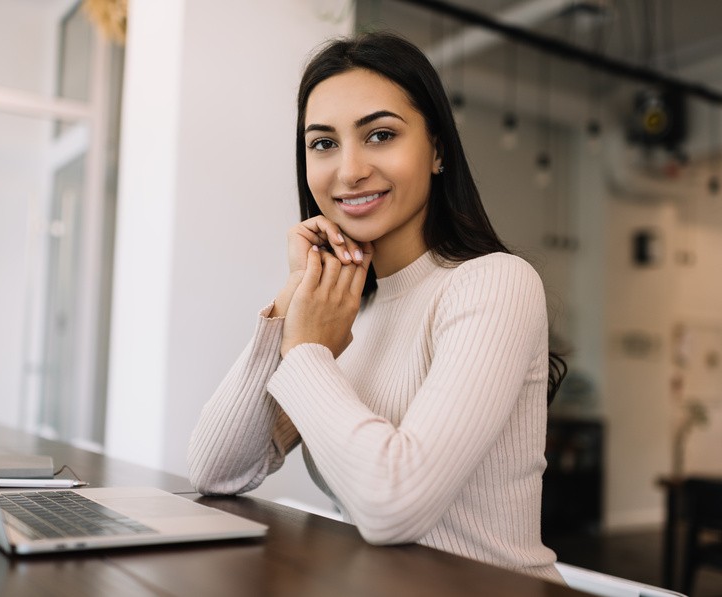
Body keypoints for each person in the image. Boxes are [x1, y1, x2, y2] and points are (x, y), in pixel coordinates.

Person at [187, 31, 565, 583]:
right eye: (323, 143)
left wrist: (309, 349)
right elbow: (215, 468)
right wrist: (293, 296)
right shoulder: (343, 312)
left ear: (437, 149)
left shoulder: (495, 284)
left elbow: (395, 506)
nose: (350, 170)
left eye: (380, 135)